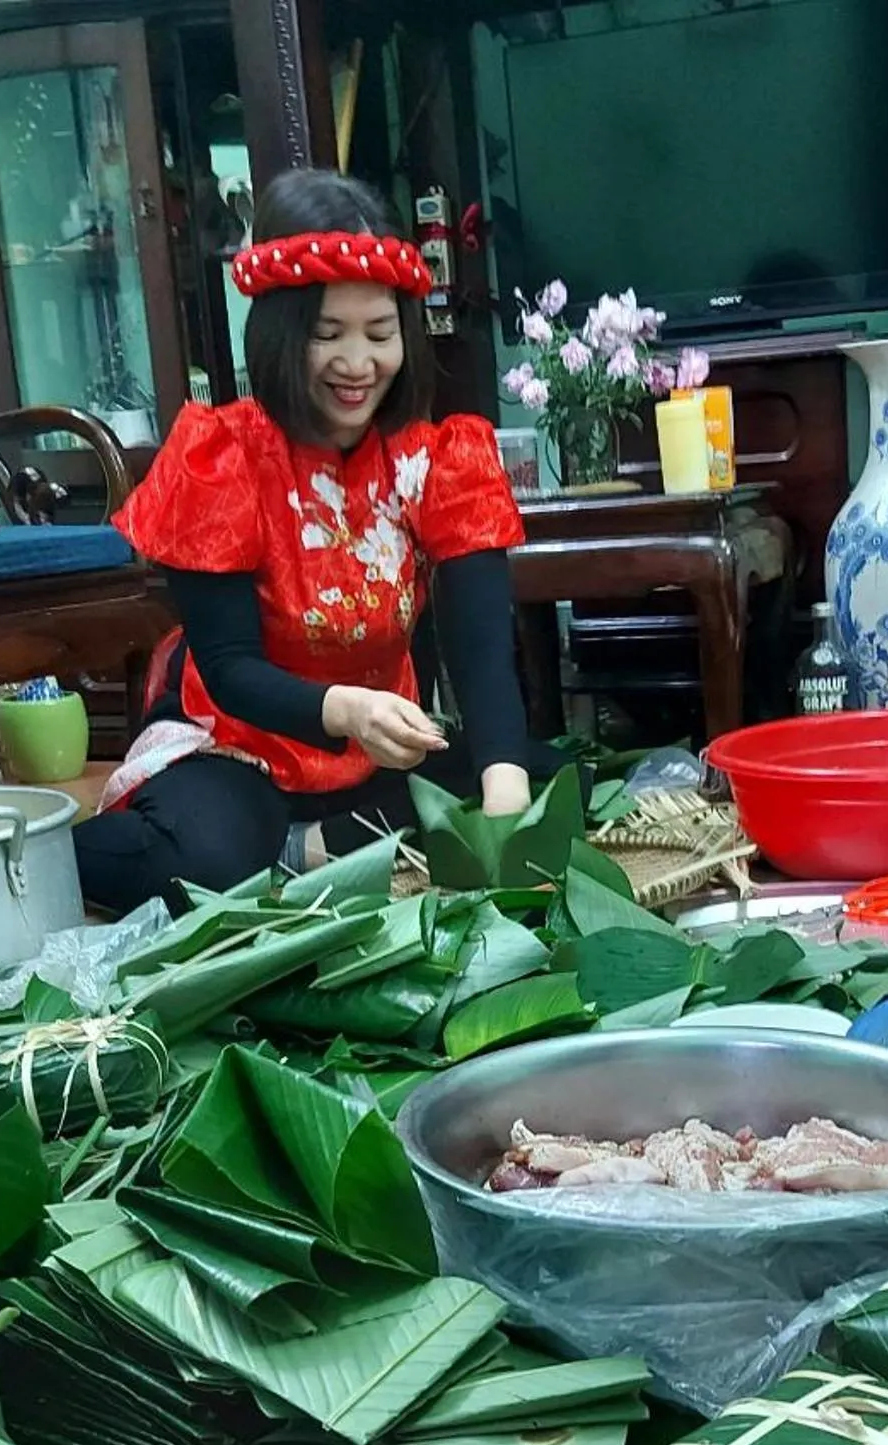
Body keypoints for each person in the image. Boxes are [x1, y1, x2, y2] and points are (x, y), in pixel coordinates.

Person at [73, 169, 550, 913]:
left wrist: (507, 807)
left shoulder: (442, 459)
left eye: (379, 332)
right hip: (237, 744)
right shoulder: (222, 453)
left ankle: (314, 850)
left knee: (539, 776)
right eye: (328, 335)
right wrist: (349, 710)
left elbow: (482, 652)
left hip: (377, 751)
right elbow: (229, 669)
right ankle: (298, 847)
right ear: (280, 337)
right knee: (202, 862)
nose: (357, 365)